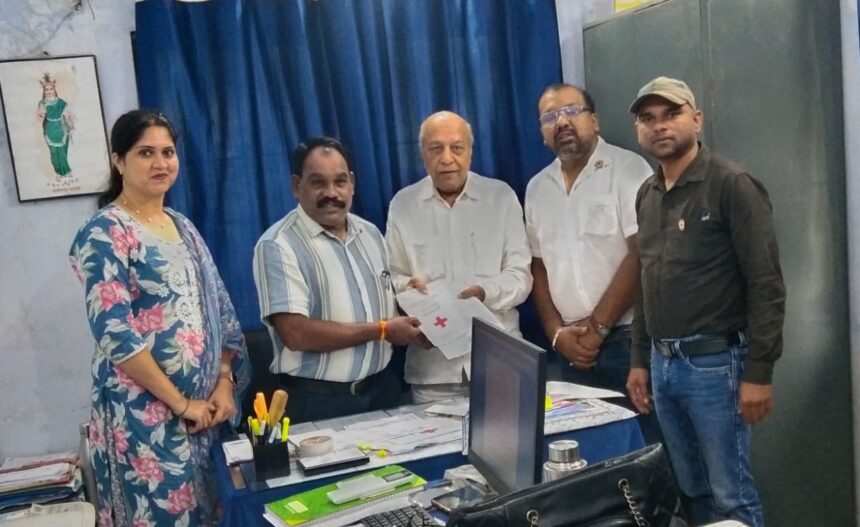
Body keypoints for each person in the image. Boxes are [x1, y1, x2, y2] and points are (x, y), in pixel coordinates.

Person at [69, 109, 250, 527]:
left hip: (205, 415)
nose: (160, 163)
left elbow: (221, 312)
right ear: (119, 161)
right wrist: (181, 403)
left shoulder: (183, 227)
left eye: (168, 152)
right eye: (145, 152)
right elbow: (115, 333)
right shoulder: (105, 231)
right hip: (143, 419)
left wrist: (224, 383)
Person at [626, 77, 785, 526]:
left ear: (696, 119)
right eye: (648, 118)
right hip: (663, 366)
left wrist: (759, 372)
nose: (659, 126)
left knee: (730, 495)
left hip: (716, 366)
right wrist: (639, 359)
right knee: (690, 490)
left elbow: (766, 284)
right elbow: (646, 282)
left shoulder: (732, 185)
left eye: (671, 114)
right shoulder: (647, 193)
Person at [252, 136, 425, 423]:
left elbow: (383, 306)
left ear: (352, 184)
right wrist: (382, 330)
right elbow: (296, 333)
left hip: (382, 391)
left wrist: (417, 308)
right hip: (317, 402)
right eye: (318, 183)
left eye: (340, 182)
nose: (331, 193)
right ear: (296, 186)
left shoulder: (370, 234)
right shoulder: (278, 245)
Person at [524, 83, 659, 439]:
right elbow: (538, 266)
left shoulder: (628, 169)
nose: (562, 122)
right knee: (592, 454)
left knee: (648, 448)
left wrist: (598, 327)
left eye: (572, 111)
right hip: (571, 349)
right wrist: (555, 333)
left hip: (628, 343)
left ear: (594, 121)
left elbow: (642, 252)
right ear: (542, 132)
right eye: (550, 117)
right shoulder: (537, 188)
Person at [385, 111, 532, 403]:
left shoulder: (500, 197)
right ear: (423, 155)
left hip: (500, 359)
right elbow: (391, 276)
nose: (447, 158)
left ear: (471, 152)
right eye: (435, 148)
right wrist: (408, 288)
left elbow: (521, 276)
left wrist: (485, 292)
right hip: (434, 368)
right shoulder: (403, 204)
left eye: (457, 147)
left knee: (506, 434)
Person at [37, 73, 73, 180]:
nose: (49, 91)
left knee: (62, 150)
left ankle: (66, 171)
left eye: (51, 89)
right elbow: (40, 117)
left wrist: (70, 126)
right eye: (46, 90)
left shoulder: (61, 102)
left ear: (54, 90)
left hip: (61, 128)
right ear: (44, 91)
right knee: (53, 152)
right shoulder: (42, 103)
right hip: (50, 129)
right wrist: (40, 116)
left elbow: (69, 116)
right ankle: (58, 172)